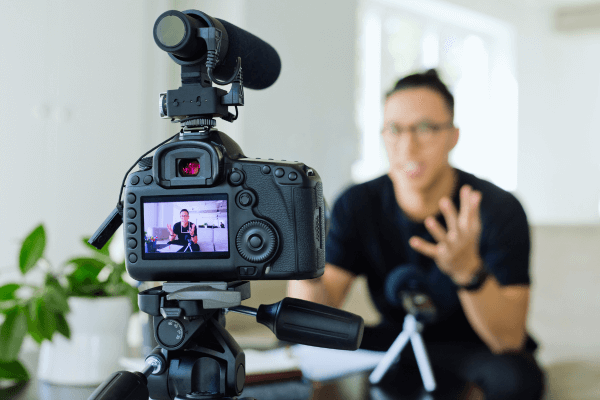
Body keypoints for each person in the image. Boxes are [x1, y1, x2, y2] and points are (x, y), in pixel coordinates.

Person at [288, 69, 545, 399]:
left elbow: (508, 338)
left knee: (517, 378)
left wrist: (469, 271)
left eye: (425, 128)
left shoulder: (497, 208)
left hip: (474, 347)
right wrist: (304, 262)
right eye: (395, 129)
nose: (408, 146)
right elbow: (313, 325)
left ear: (452, 136)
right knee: (294, 354)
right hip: (396, 339)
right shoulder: (357, 203)